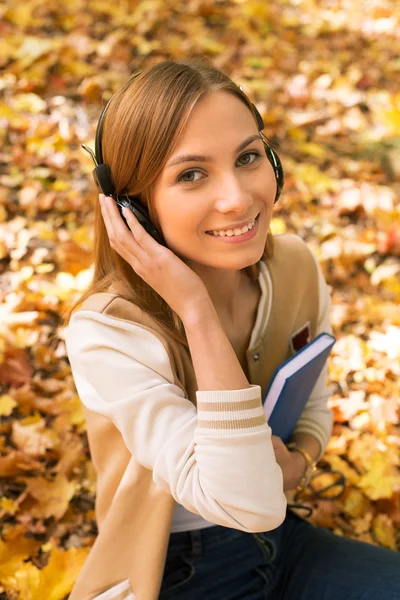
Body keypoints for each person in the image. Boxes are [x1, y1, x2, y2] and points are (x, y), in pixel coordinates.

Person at [65, 60, 400, 600]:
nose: (239, 198)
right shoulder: (109, 332)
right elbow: (246, 503)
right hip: (176, 570)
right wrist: (195, 310)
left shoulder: (293, 266)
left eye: (247, 157)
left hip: (283, 542)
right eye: (191, 174)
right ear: (132, 208)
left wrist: (299, 461)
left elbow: (311, 403)